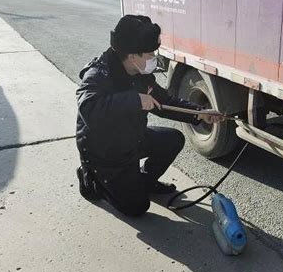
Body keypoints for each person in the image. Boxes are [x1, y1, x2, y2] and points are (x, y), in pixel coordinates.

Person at [76, 15, 223, 216]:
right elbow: (89, 109)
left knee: (173, 139)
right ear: (132, 56)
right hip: (104, 151)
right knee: (137, 207)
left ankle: (145, 180)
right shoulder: (99, 74)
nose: (154, 58)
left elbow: (164, 102)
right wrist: (134, 99)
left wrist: (199, 113)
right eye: (150, 54)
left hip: (130, 137)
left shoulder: (140, 73)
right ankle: (92, 180)